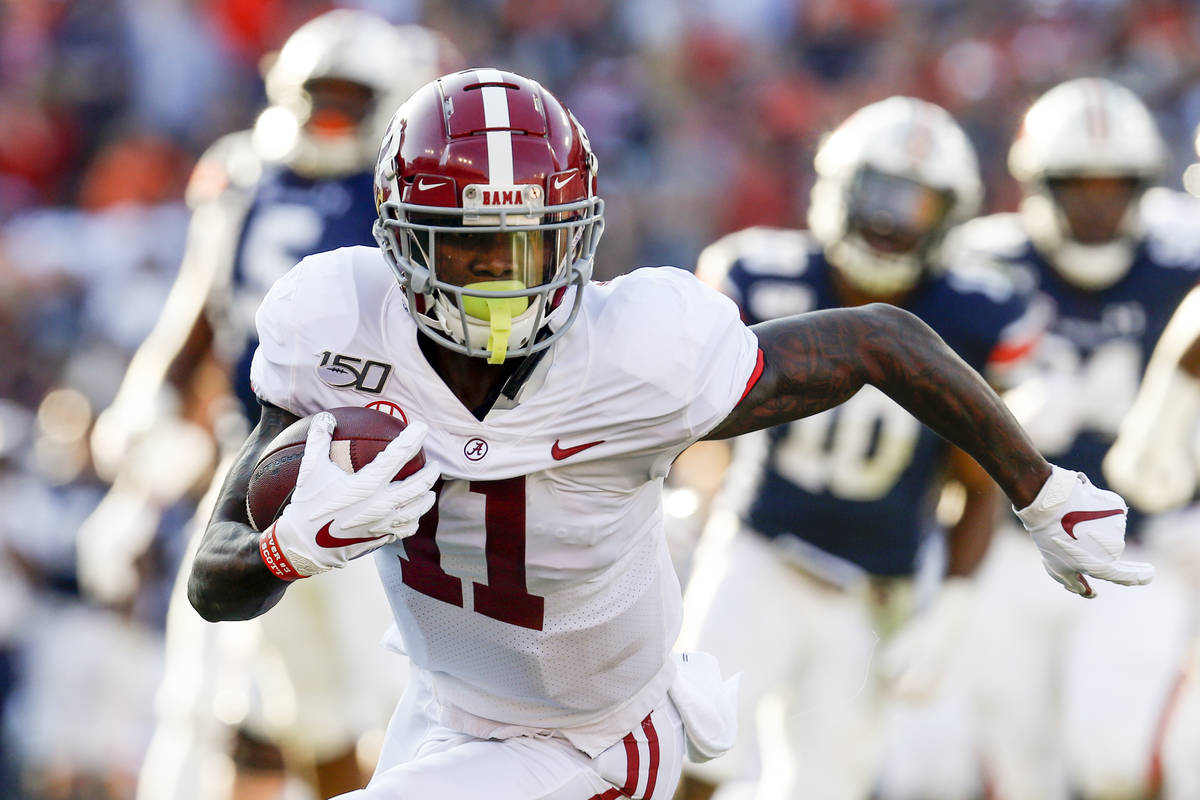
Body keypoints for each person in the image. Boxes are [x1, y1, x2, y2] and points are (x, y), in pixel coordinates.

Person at [187, 68, 1151, 800]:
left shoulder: (636, 354)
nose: (502, 277)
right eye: (469, 246)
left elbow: (879, 340)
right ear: (400, 239)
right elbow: (213, 582)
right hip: (440, 714)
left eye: (533, 241)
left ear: (582, 232)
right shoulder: (337, 325)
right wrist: (282, 549)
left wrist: (1042, 488)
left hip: (593, 738)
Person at [76, 10, 453, 799]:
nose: (332, 113)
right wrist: (145, 415)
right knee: (263, 701)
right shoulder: (245, 174)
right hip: (257, 468)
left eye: (352, 96)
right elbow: (203, 308)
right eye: (322, 93)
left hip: (373, 474)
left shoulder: (408, 192)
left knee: (396, 705)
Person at [672, 96, 1044, 800]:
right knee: (687, 753)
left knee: (827, 786)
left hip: (875, 589)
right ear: (839, 189)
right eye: (880, 194)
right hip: (757, 553)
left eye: (919, 205)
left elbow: (977, 477)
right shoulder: (761, 273)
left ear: (950, 217)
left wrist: (951, 608)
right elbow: (694, 417)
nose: (892, 220)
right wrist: (696, 503)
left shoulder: (974, 312)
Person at [946, 77, 1200, 800]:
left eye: (1115, 184)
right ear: (1038, 184)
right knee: (1017, 761)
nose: (1098, 203)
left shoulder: (1184, 254)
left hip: (1138, 543)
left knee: (1113, 759)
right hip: (1008, 545)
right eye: (1078, 184)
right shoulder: (983, 261)